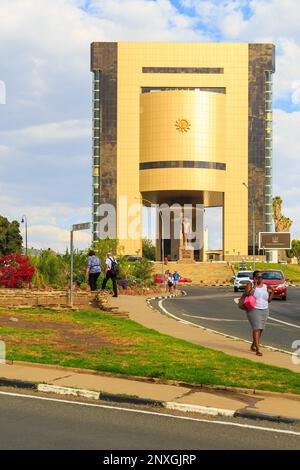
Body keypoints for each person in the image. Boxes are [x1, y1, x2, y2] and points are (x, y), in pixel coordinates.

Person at [245, 270, 274, 356]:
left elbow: (269, 300)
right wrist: (255, 286)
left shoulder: (265, 286)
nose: (260, 279)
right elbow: (247, 294)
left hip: (265, 309)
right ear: (254, 278)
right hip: (253, 309)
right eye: (258, 277)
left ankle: (253, 345)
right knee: (256, 328)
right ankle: (258, 349)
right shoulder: (250, 284)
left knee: (261, 329)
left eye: (261, 277)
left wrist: (272, 292)